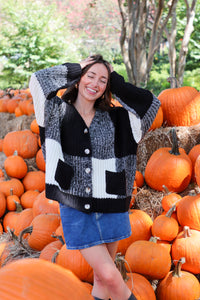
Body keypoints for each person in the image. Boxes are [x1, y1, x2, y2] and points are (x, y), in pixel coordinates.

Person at [29, 54, 160, 300]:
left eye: (102, 80)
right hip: (75, 207)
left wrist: (115, 81)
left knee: (102, 278)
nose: (95, 83)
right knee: (112, 276)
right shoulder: (54, 112)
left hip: (111, 205)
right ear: (79, 79)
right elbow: (38, 81)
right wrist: (79, 67)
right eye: (90, 76)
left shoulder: (118, 118)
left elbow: (151, 104)